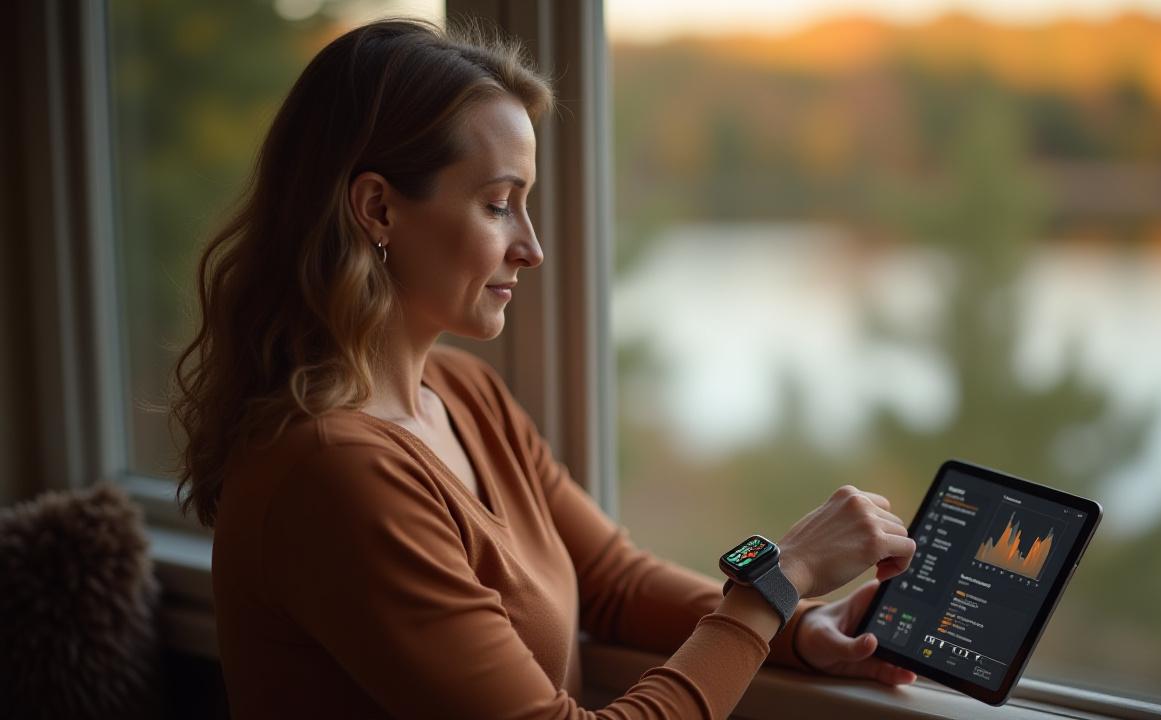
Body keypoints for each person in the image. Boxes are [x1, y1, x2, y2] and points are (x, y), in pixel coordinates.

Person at [171, 17, 918, 719]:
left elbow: (615, 584)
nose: (530, 246)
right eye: (499, 204)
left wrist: (801, 625)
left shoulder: (463, 392)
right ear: (377, 210)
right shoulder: (334, 473)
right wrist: (777, 582)